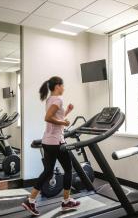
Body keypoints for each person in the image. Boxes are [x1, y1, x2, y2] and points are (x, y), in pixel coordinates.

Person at [22, 76, 80, 216]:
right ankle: (66, 201)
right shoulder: (58, 99)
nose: (64, 88)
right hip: (56, 142)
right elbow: (48, 118)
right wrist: (64, 123)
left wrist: (67, 112)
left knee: (48, 171)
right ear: (58, 86)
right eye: (63, 85)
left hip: (47, 141)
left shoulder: (50, 99)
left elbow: (55, 118)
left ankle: (31, 200)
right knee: (68, 169)